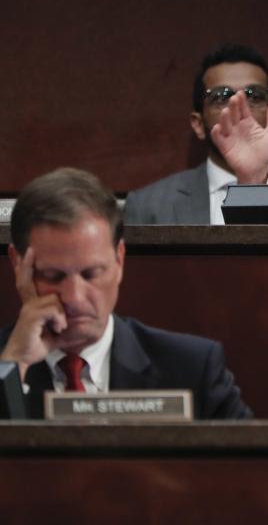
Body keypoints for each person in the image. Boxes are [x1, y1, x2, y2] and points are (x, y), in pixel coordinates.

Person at [1, 168, 252, 419]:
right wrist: (13, 365)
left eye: (91, 274)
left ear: (119, 260)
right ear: (18, 265)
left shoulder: (192, 368)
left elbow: (254, 458)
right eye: (53, 276)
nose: (74, 298)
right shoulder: (7, 360)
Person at [124, 44, 268, 225]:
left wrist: (254, 181)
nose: (240, 106)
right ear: (198, 124)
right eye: (221, 96)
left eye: (255, 95)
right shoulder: (147, 208)